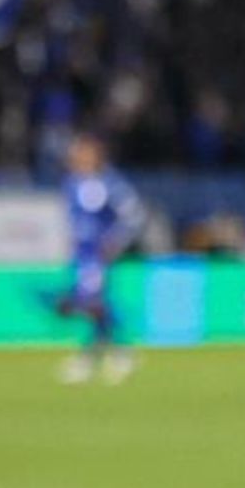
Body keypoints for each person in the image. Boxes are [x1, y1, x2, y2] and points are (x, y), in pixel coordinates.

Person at [49, 131, 145, 385]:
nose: (77, 157)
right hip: (81, 253)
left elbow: (133, 214)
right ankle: (115, 352)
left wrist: (116, 241)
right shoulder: (71, 182)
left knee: (92, 303)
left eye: (83, 152)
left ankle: (98, 355)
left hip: (99, 252)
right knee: (92, 304)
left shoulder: (110, 182)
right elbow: (74, 219)